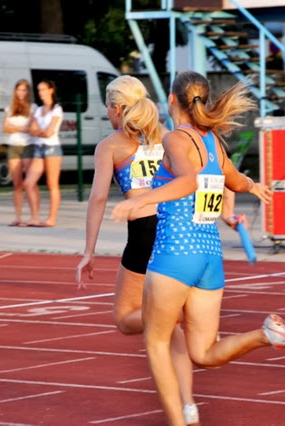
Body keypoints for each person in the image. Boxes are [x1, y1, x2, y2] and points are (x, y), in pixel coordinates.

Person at [110, 70, 285, 425]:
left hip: (176, 253)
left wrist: (140, 200)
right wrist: (253, 186)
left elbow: (188, 181)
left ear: (172, 100)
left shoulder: (175, 138)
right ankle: (267, 334)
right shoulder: (213, 142)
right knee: (203, 353)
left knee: (156, 343)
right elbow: (233, 180)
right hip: (210, 259)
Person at [75, 75, 201, 425]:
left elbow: (98, 198)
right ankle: (189, 405)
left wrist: (88, 251)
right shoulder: (170, 136)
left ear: (117, 108)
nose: (108, 113)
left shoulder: (111, 145)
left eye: (108, 107)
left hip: (145, 233)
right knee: (168, 329)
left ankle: (178, 315)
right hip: (177, 231)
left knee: (126, 318)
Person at [24, 80, 62, 227]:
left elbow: (49, 133)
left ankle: (51, 218)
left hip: (52, 148)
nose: (41, 93)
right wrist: (41, 131)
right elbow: (31, 130)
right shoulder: (38, 110)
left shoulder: (56, 109)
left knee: (52, 183)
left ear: (51, 90)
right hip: (39, 147)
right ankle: (34, 217)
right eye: (39, 90)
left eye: (43, 89)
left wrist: (38, 131)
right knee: (28, 183)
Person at [3, 79, 37, 226]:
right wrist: (22, 128)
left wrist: (15, 128)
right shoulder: (10, 108)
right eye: (19, 90)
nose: (21, 93)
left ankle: (34, 216)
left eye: (24, 90)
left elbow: (31, 128)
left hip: (28, 145)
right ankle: (18, 217)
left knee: (29, 183)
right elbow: (5, 128)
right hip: (13, 146)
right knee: (17, 183)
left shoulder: (33, 108)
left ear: (28, 92)